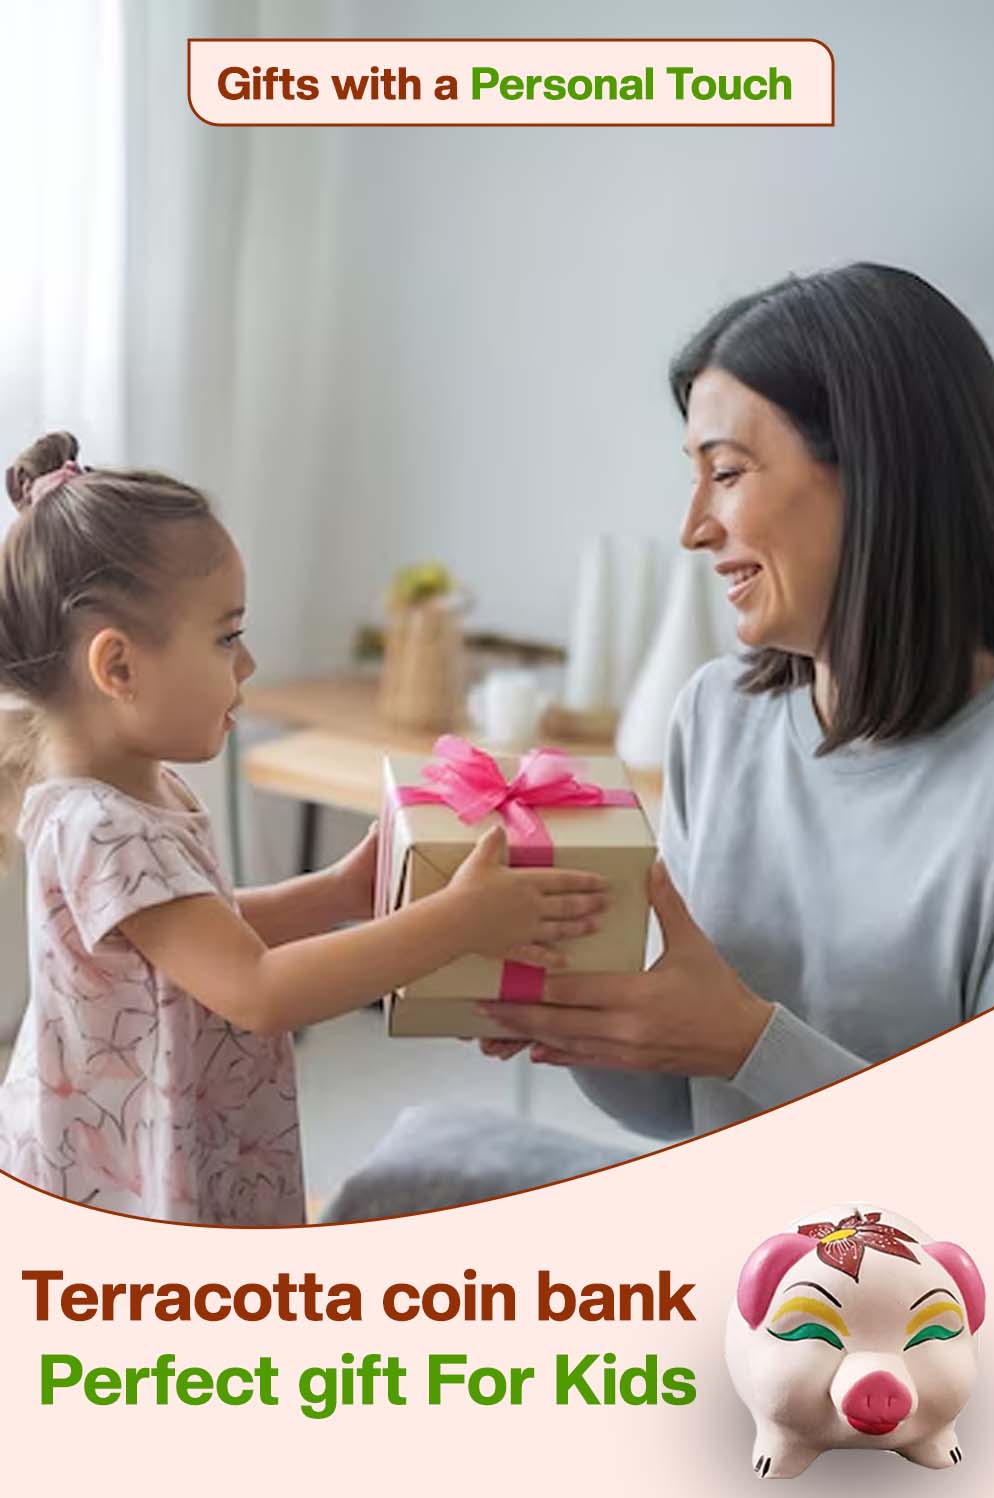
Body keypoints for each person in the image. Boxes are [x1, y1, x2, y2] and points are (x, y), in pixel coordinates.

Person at [0, 432, 607, 1224]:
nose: (246, 666)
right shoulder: (104, 826)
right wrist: (458, 921)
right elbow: (257, 989)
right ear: (117, 668)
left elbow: (202, 940)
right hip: (122, 1180)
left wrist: (339, 891)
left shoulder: (132, 796)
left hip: (170, 1138)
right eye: (227, 636)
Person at [478, 263, 994, 1142]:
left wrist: (745, 1045)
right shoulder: (718, 717)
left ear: (877, 474)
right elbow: (685, 1112)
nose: (692, 527)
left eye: (725, 472)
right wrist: (579, 1021)